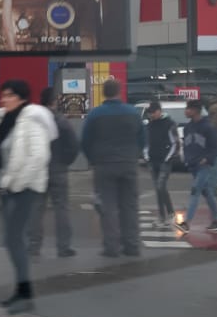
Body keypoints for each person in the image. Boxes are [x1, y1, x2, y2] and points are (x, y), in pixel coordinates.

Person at [0, 79, 50, 312]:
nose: (5, 99)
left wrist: (18, 183)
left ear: (21, 97)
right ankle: (22, 292)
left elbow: (39, 156)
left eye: (10, 95)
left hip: (24, 189)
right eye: (4, 95)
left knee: (13, 239)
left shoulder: (30, 120)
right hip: (6, 188)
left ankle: (25, 293)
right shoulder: (4, 119)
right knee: (13, 240)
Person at [81, 77, 145, 258]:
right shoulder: (132, 112)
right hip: (128, 164)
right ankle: (132, 246)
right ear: (119, 92)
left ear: (103, 93)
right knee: (130, 206)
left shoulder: (95, 114)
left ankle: (111, 247)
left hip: (104, 165)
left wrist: (93, 159)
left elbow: (85, 140)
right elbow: (142, 138)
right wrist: (134, 155)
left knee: (108, 206)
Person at [28, 87, 78, 258]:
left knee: (36, 209)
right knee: (61, 208)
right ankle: (64, 247)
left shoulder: (34, 120)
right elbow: (73, 145)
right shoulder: (61, 121)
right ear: (54, 101)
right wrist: (65, 161)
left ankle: (34, 246)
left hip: (38, 171)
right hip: (58, 170)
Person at [177, 100, 217, 234]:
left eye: (188, 109)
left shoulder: (208, 128)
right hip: (193, 165)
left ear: (196, 110)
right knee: (207, 193)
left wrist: (207, 159)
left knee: (195, 191)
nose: (186, 111)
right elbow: (186, 146)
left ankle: (186, 223)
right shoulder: (187, 128)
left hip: (204, 166)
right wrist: (187, 160)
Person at [143, 101, 180, 228]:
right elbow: (146, 142)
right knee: (159, 189)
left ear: (159, 111)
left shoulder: (169, 124)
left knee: (160, 186)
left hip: (165, 161)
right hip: (153, 160)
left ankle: (169, 214)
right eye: (150, 114)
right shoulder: (150, 125)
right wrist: (147, 156)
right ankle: (163, 216)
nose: (151, 116)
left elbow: (175, 143)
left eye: (153, 113)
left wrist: (168, 158)